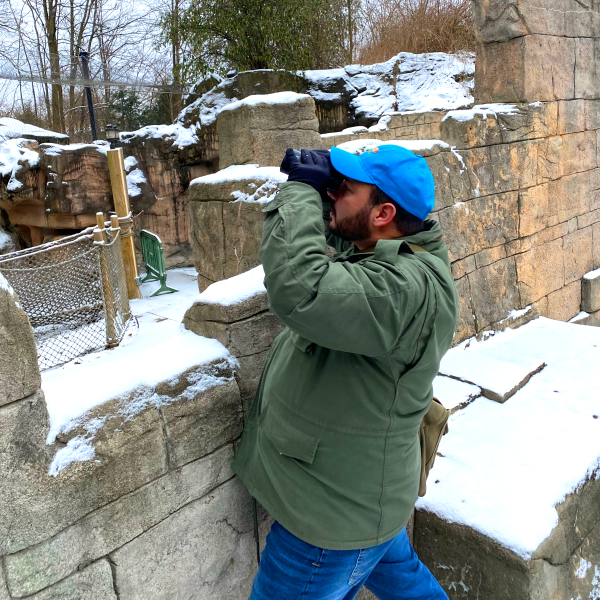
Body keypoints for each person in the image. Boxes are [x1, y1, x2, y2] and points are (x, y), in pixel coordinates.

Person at [231, 144, 459, 600]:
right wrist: (331, 190)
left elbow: (302, 287)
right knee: (403, 580)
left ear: (384, 213)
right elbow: (341, 241)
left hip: (327, 525)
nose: (332, 195)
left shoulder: (404, 289)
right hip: (361, 494)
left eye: (346, 190)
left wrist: (299, 191)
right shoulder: (398, 246)